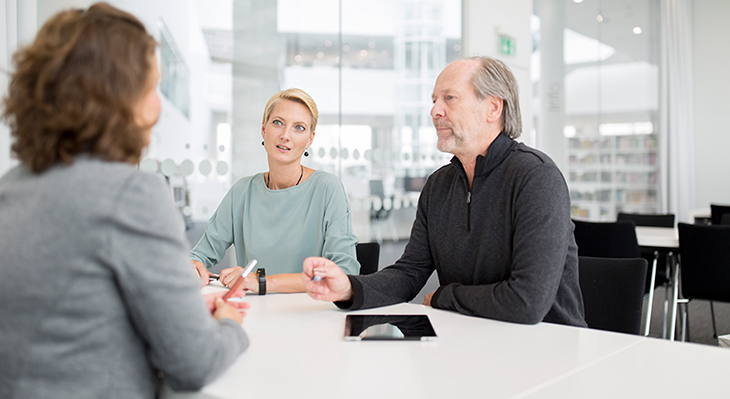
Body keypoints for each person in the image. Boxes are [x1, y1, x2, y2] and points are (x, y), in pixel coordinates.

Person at [0, 4, 249, 398]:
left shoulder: (11, 187)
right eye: (152, 89)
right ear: (119, 98)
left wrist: (175, 318)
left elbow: (71, 323)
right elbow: (195, 364)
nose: (158, 108)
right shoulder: (131, 195)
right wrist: (230, 323)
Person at [302, 56, 587, 327]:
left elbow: (527, 302)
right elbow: (409, 273)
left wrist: (444, 296)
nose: (435, 111)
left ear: (493, 108)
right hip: (471, 340)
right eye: (434, 100)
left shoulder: (536, 177)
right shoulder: (439, 185)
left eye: (449, 98)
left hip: (547, 348)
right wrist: (349, 288)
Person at [190, 88, 360, 293]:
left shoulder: (327, 188)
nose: (285, 135)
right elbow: (199, 255)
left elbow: (344, 272)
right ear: (264, 129)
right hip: (255, 314)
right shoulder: (242, 192)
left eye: (298, 127)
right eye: (278, 123)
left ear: (310, 139)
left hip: (310, 314)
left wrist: (263, 282)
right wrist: (193, 265)